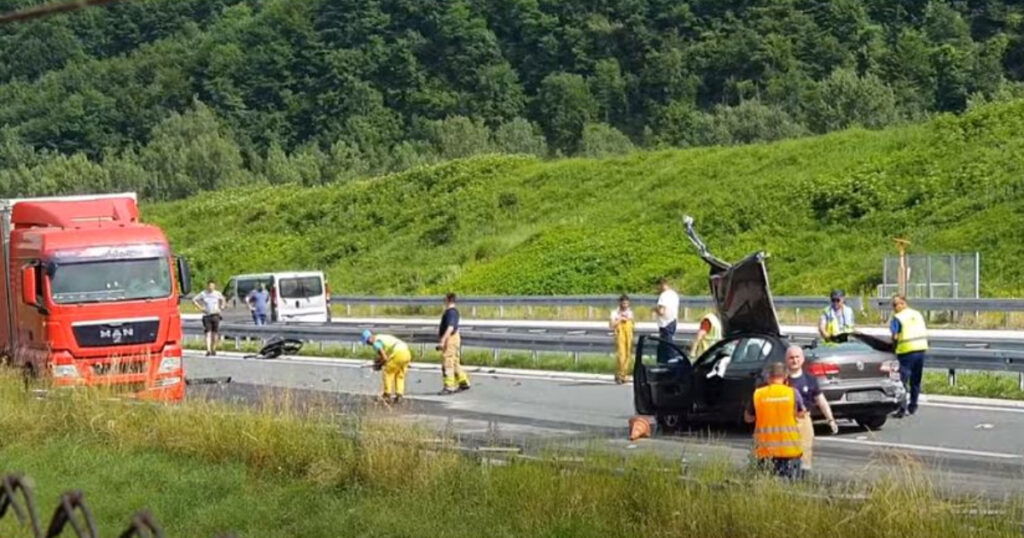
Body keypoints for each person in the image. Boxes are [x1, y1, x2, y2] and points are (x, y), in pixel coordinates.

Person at [744, 361, 804, 479]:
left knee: (766, 484)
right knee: (790, 485)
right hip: (790, 450)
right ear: (786, 376)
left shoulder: (758, 394)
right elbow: (801, 415)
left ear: (768, 377)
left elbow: (748, 418)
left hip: (765, 452)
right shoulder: (792, 393)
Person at [784, 345, 838, 473]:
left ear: (802, 359)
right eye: (791, 358)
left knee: (805, 451)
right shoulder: (782, 379)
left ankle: (803, 477)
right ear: (786, 360)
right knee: (787, 452)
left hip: (804, 420)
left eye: (797, 357)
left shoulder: (810, 379)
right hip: (786, 420)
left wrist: (830, 420)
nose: (795, 360)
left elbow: (821, 400)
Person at [890, 295, 928, 417]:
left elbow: (895, 336)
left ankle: (902, 408)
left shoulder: (898, 317)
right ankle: (913, 406)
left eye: (896, 305)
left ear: (903, 303)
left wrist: (893, 347)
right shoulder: (917, 314)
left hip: (906, 352)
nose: (894, 308)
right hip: (921, 350)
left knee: (902, 382)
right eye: (894, 305)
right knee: (916, 381)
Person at [362, 329, 412, 404]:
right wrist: (379, 360)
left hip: (398, 352)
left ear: (369, 339)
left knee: (388, 371)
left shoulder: (376, 343)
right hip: (406, 352)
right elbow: (386, 354)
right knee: (399, 374)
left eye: (367, 342)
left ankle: (387, 394)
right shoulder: (381, 337)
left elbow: (385, 358)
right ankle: (399, 395)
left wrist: (379, 365)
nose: (369, 344)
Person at [438, 293, 470, 395]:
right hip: (453, 338)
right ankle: (463, 381)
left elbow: (450, 327)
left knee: (448, 361)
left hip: (451, 338)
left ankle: (449, 386)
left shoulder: (451, 312)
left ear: (448, 300)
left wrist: (443, 340)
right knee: (454, 361)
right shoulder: (452, 312)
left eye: (445, 299)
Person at [193, 280, 226, 356]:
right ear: (207, 286)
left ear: (214, 287)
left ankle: (213, 348)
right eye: (210, 286)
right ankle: (208, 350)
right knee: (208, 333)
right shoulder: (203, 293)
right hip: (207, 315)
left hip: (215, 315)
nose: (211, 288)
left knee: (215, 333)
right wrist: (200, 308)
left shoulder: (217, 293)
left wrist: (222, 306)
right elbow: (194, 300)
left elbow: (223, 299)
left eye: (212, 286)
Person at [609, 294, 635, 384]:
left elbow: (632, 325)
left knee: (628, 355)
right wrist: (619, 319)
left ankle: (624, 375)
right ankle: (620, 374)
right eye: (623, 303)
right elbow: (611, 325)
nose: (625, 305)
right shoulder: (615, 313)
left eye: (627, 303)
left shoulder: (630, 312)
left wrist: (628, 319)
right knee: (621, 355)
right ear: (620, 303)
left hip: (628, 335)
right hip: (620, 335)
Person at [654, 278, 680, 363]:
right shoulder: (674, 294)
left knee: (667, 347)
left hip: (665, 324)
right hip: (673, 321)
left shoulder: (664, 295)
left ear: (661, 285)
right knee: (666, 345)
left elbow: (661, 311)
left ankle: (668, 363)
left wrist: (654, 309)